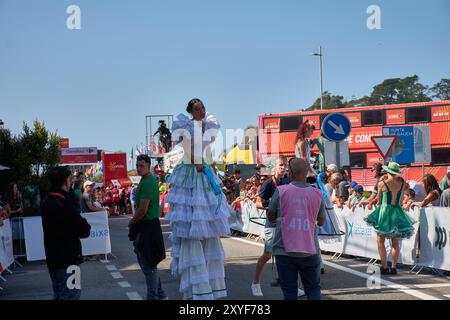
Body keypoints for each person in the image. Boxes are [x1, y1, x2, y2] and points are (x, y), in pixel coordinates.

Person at [165, 98, 230, 300]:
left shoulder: (209, 124)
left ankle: (211, 285)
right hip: (192, 171)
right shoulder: (185, 126)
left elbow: (207, 151)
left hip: (206, 169)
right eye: (197, 108)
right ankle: (197, 289)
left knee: (209, 226)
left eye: (202, 107)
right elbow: (188, 150)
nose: (201, 110)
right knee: (193, 223)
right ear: (190, 112)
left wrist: (210, 165)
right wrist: (198, 162)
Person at [267, 158, 325, 300]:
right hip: (310, 250)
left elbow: (271, 217)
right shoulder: (317, 193)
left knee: (289, 292)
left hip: (284, 250)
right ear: (306, 173)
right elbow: (322, 221)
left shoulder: (281, 191)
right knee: (313, 289)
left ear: (290, 173)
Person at [41, 166, 91, 300]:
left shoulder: (47, 201)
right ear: (65, 182)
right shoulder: (63, 203)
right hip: (68, 260)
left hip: (53, 259)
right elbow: (84, 229)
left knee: (59, 294)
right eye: (69, 179)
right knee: (71, 295)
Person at [364, 162, 415, 275]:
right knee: (395, 241)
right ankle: (394, 267)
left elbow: (379, 200)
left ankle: (385, 266)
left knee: (380, 239)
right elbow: (404, 195)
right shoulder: (403, 185)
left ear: (388, 171)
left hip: (385, 211)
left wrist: (370, 202)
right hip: (397, 210)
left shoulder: (382, 184)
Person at [128, 154, 167, 300]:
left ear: (148, 165)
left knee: (148, 265)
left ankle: (153, 296)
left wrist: (132, 221)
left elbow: (143, 209)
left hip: (148, 226)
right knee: (148, 263)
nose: (138, 168)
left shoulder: (149, 182)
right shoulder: (145, 181)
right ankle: (160, 294)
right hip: (146, 226)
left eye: (141, 166)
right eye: (137, 166)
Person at [252, 156, 290, 297]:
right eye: (280, 165)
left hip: (285, 224)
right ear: (274, 167)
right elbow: (257, 203)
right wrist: (270, 204)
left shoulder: (288, 181)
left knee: (287, 255)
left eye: (285, 165)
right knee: (268, 254)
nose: (283, 168)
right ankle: (255, 282)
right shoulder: (268, 183)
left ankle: (289, 285)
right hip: (272, 223)